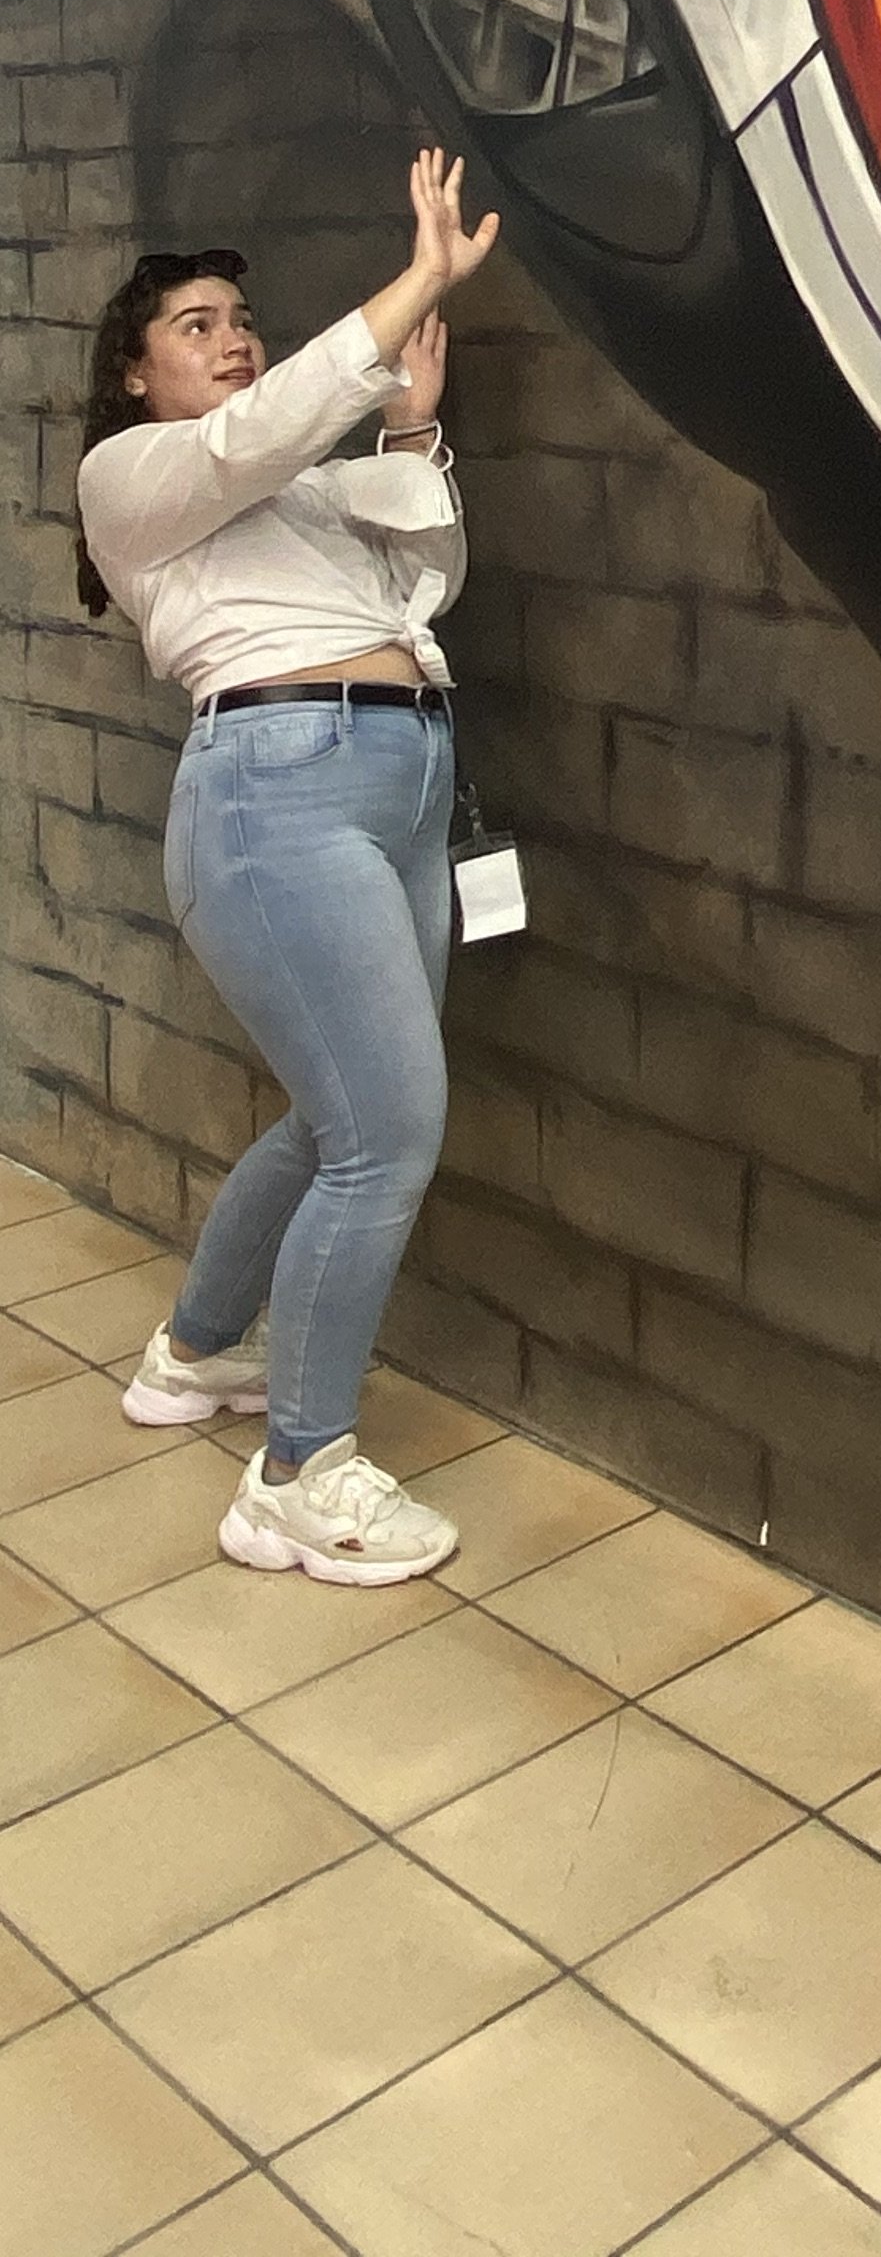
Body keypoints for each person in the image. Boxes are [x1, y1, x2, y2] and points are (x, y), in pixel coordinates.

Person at [74, 148, 499, 1582]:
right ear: (134, 375)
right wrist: (416, 283)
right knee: (387, 1134)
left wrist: (409, 441)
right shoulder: (130, 475)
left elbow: (419, 577)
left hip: (400, 787)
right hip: (275, 795)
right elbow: (258, 433)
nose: (231, 338)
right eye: (194, 326)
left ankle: (195, 1352)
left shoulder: (296, 489)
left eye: (236, 322)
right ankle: (300, 1471)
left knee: (339, 1124)